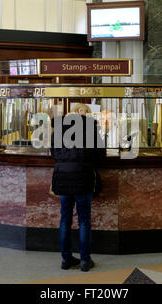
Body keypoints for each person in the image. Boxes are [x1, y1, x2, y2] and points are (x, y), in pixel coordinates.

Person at [50, 103, 105, 272]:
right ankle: (84, 260)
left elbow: (53, 153)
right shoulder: (91, 128)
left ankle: (66, 260)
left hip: (62, 178)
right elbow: (101, 155)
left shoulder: (58, 128)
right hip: (83, 177)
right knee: (84, 220)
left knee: (65, 219)